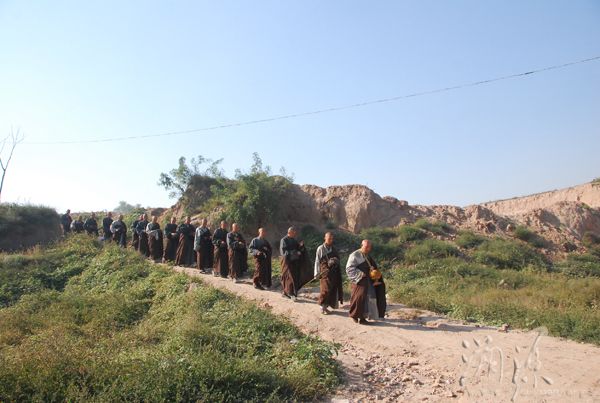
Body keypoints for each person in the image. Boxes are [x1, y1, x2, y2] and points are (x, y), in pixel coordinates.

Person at [345, 239, 386, 324]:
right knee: (358, 298)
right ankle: (354, 315)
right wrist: (360, 274)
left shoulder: (367, 256)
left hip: (368, 281)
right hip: (359, 281)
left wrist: (372, 271)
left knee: (369, 298)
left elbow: (371, 267)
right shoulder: (354, 255)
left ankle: (363, 318)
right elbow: (349, 268)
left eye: (369, 247)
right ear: (361, 245)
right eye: (366, 247)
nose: (368, 249)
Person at [279, 227, 312, 301]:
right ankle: (290, 293)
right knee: (289, 277)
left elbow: (298, 249)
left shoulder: (294, 240)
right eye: (293, 233)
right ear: (289, 232)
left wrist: (301, 246)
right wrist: (294, 252)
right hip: (287, 262)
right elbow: (284, 252)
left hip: (294, 262)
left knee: (294, 277)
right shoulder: (284, 240)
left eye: (295, 233)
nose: (295, 234)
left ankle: (286, 292)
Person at [314, 232, 343, 315]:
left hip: (333, 273)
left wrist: (335, 260)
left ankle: (325, 307)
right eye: (329, 238)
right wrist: (316, 273)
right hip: (324, 273)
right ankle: (321, 306)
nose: (330, 240)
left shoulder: (333, 249)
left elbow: (338, 259)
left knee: (331, 290)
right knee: (325, 289)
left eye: (331, 239)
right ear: (325, 238)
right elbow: (317, 261)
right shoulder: (321, 248)